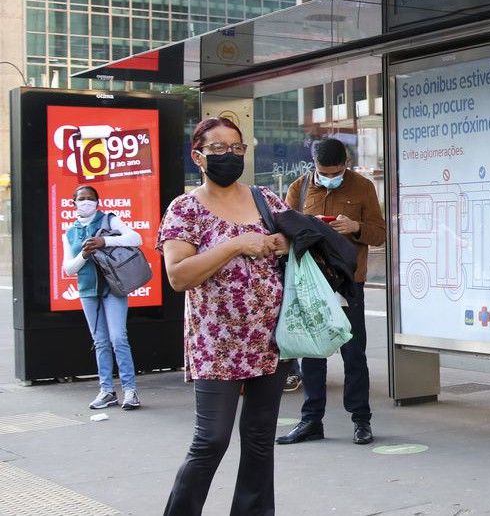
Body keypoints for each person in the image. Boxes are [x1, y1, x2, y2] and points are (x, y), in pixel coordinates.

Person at [158, 117, 291, 516]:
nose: (229, 156)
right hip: (216, 344)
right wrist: (235, 244)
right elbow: (178, 275)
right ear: (198, 156)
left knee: (259, 438)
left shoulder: (264, 197)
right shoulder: (185, 208)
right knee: (211, 440)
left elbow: (292, 238)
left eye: (236, 148)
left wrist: (283, 241)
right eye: (218, 149)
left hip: (271, 338)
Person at [276, 137, 386, 446]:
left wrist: (354, 227)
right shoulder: (298, 189)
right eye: (324, 172)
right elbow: (284, 230)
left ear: (346, 164)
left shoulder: (362, 187)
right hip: (312, 282)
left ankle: (361, 419)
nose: (330, 176)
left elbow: (379, 234)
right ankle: (311, 420)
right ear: (314, 166)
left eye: (336, 171)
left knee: (353, 353)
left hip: (348, 282)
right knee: (313, 352)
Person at [62, 185, 143, 410]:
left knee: (118, 338)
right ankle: (107, 390)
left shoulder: (109, 219)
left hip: (113, 287)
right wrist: (84, 254)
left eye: (91, 199)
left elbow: (135, 238)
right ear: (74, 203)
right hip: (88, 290)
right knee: (100, 341)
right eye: (82, 199)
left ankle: (130, 390)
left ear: (98, 202)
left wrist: (104, 242)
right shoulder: (70, 232)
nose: (86, 202)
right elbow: (69, 268)